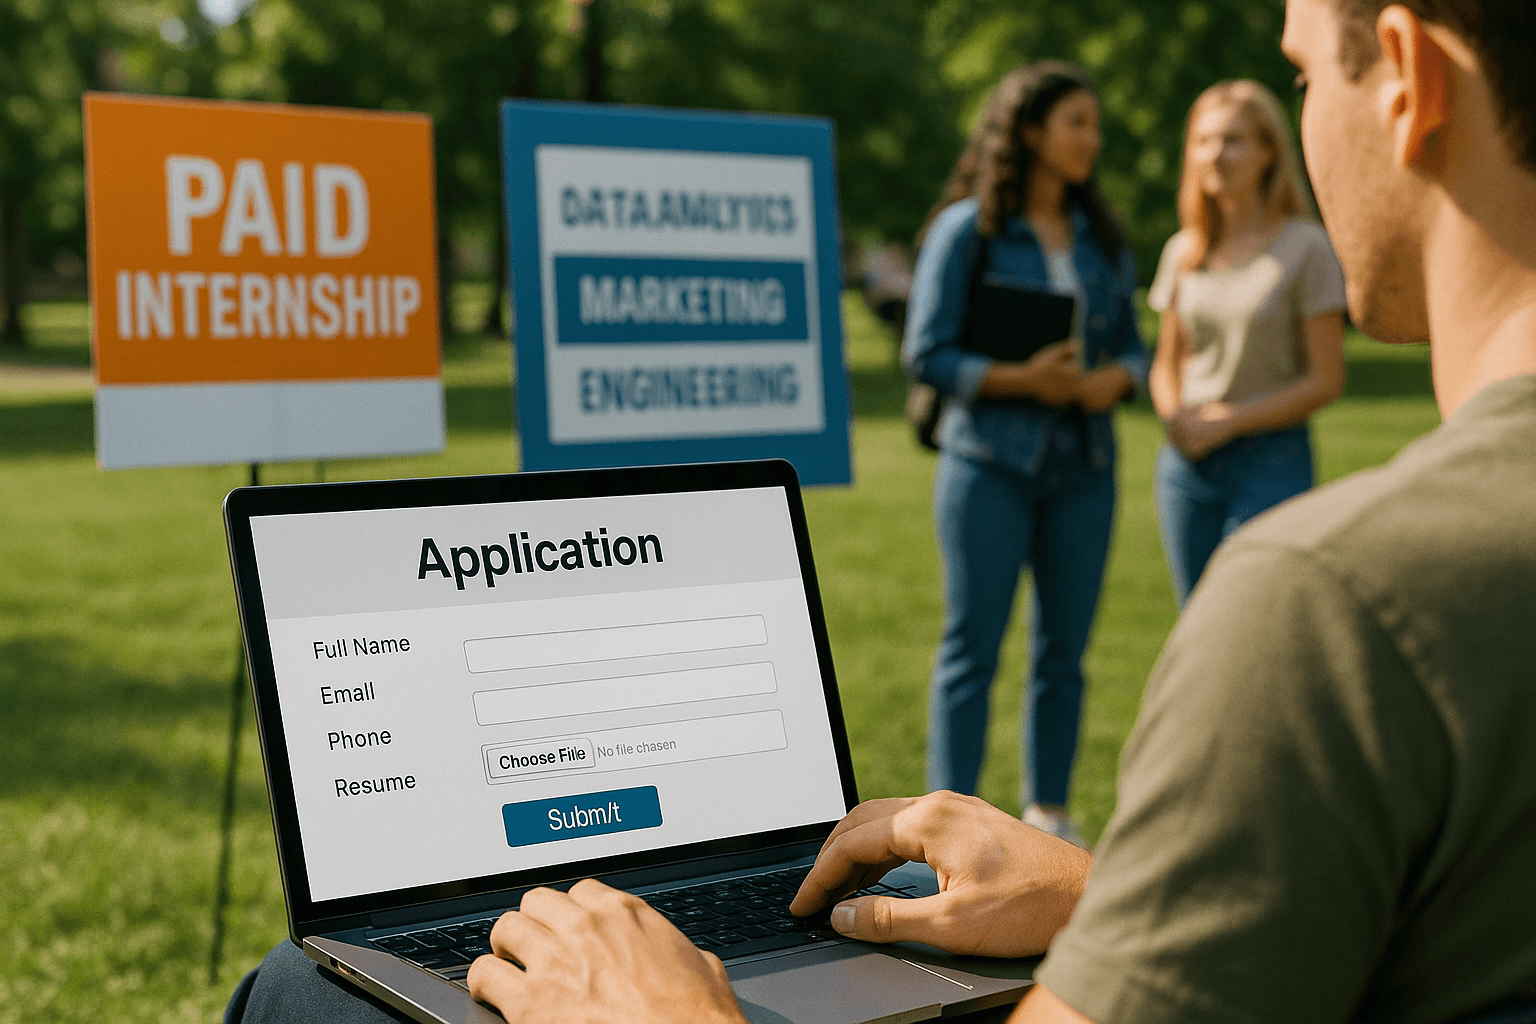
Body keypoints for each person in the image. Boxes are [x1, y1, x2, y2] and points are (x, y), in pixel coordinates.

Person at [229, 0, 1536, 1019]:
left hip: (1078, 465)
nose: (1299, 122)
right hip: (1012, 462)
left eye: (1304, 74)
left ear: (1408, 80)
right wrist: (1101, 899)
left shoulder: (1337, 608)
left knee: (301, 995)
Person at [901, 61, 1148, 844]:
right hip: (987, 465)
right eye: (1078, 122)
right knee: (971, 650)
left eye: (1096, 126)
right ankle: (951, 825)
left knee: (1064, 655)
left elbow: (1139, 354)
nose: (1093, 139)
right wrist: (1021, 378)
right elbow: (926, 352)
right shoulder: (966, 231)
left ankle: (1050, 819)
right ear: (1033, 131)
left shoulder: (1102, 240)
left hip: (1083, 468)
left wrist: (1109, 381)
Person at [1147, 79, 1347, 605]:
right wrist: (1177, 418)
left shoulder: (1306, 248)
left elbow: (1325, 380)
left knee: (1256, 613)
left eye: (1234, 140)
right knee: (1195, 622)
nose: (1217, 154)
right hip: (1187, 462)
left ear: (1268, 152)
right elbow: (1166, 365)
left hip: (1270, 459)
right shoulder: (1183, 252)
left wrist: (1230, 420)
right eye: (1204, 140)